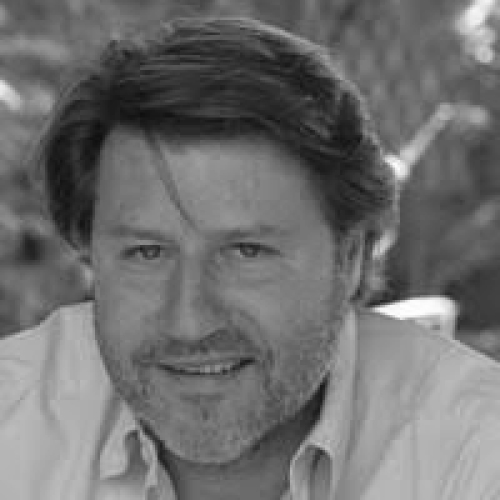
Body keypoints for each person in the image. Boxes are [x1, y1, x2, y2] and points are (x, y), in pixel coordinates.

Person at [1, 17, 500, 500]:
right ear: (90, 255)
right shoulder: (14, 420)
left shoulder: (475, 453)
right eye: (146, 253)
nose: (190, 323)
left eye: (246, 252)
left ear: (349, 259)